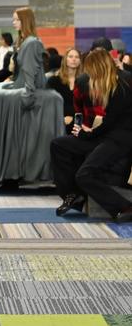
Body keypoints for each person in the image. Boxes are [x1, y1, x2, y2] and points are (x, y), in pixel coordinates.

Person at [0, 7, 64, 190]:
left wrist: (27, 96)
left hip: (28, 89)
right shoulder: (24, 42)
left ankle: (12, 173)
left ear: (24, 21)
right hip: (21, 85)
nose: (13, 22)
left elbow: (30, 72)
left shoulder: (32, 43)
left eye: (16, 19)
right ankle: (9, 172)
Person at [51, 48, 132, 222]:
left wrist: (87, 134)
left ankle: (124, 206)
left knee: (84, 175)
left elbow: (111, 122)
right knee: (59, 144)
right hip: (107, 135)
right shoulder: (111, 82)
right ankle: (72, 194)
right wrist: (86, 132)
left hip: (120, 139)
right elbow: (108, 123)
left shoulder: (124, 84)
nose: (89, 75)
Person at [46, 48, 82, 134]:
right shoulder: (54, 81)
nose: (74, 59)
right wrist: (60, 119)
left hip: (79, 123)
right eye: (70, 56)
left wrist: (73, 118)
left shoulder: (84, 81)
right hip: (58, 122)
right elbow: (49, 105)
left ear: (80, 61)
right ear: (65, 60)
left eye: (77, 57)